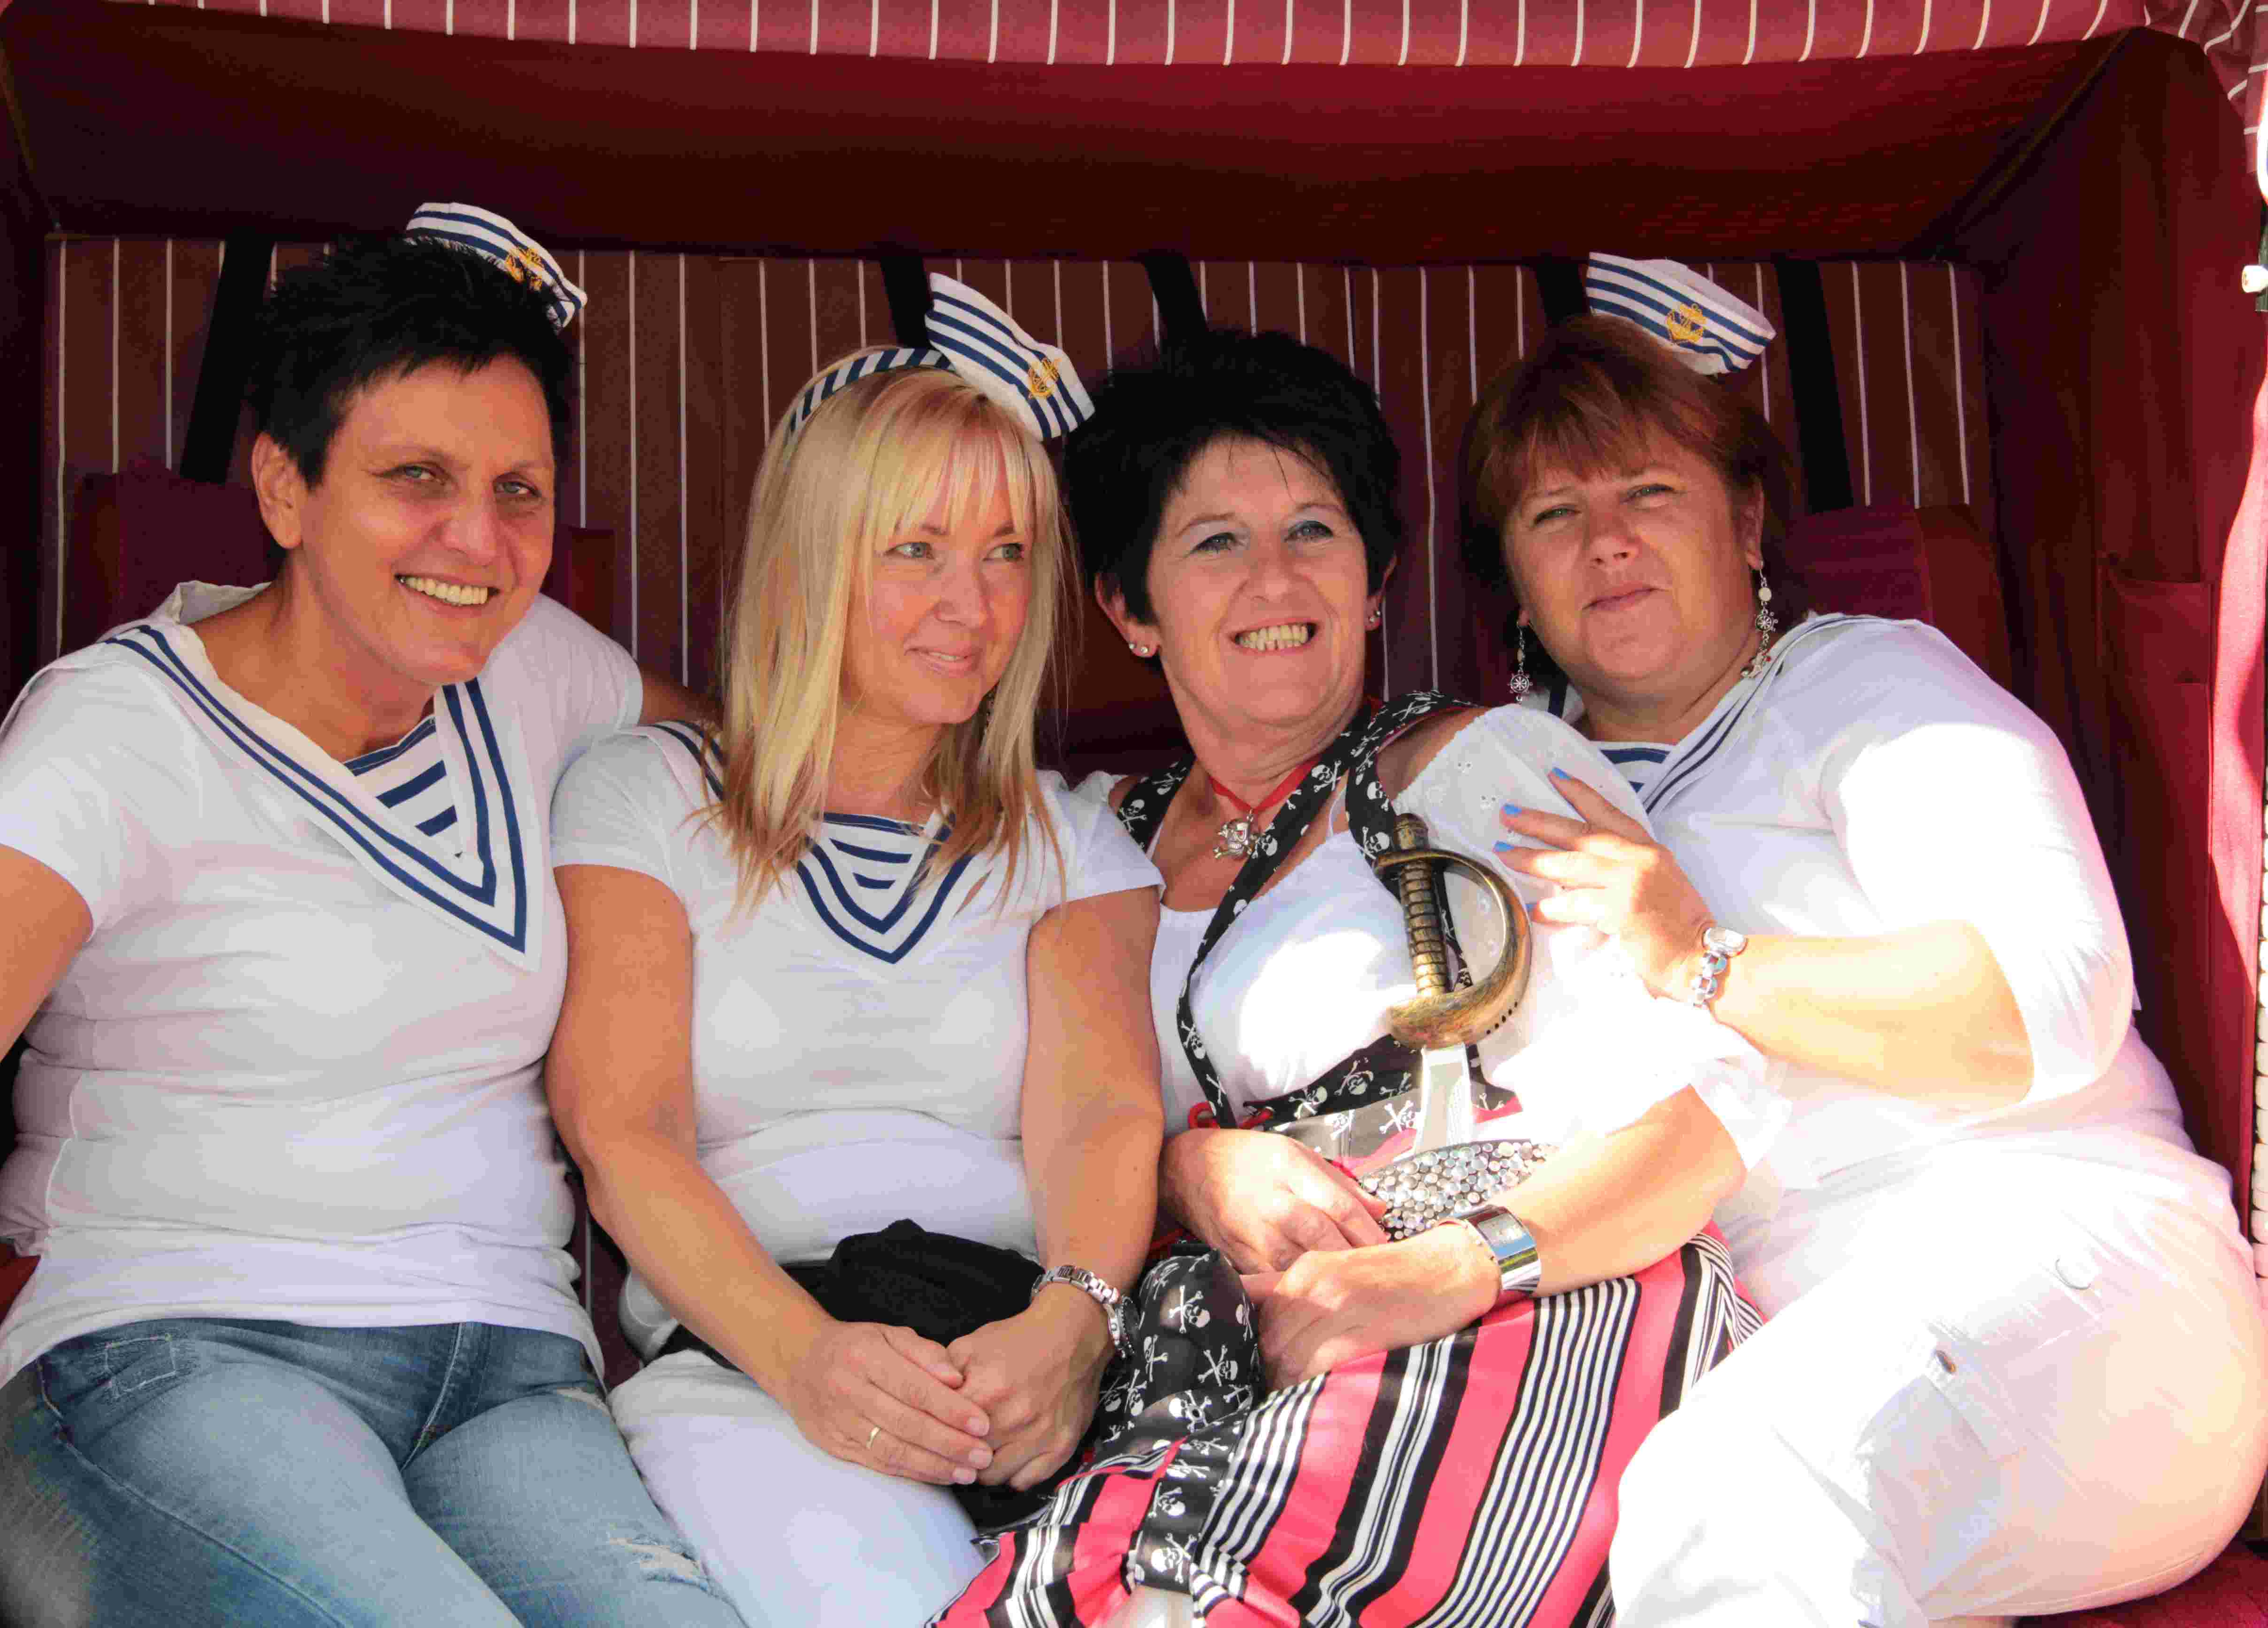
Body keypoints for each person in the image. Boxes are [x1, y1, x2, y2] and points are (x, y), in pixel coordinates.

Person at [0, 206, 742, 1627]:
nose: (479, 540)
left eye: (519, 490)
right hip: (164, 1347)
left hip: (509, 1368)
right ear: (284, 488)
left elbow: (752, 773)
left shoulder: (541, 669)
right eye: (416, 478)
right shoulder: (120, 727)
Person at [940, 327, 1784, 1628]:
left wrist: (1445, 1271)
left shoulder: (1477, 771)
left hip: (1528, 1316)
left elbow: (1712, 1112)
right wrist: (1185, 1167)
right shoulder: (1090, 842)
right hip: (1226, 1354)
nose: (1275, 579)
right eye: (1214, 542)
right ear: (1130, 608)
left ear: (1377, 581)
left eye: (1314, 531)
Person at [1457, 306, 2268, 1626]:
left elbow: (2049, 1002)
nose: (1606, 541)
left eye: (1650, 492)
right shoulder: (1497, 793)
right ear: (1515, 582)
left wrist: (1704, 957)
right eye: (1554, 515)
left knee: (1741, 1494)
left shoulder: (1869, 688)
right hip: (1749, 1336)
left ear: (1747, 524)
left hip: (2057, 1259)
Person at [545, 281, 1168, 1628]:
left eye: (1007, 553)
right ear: (811, 561)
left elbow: (1104, 1115)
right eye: (916, 550)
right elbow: (622, 1130)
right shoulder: (646, 796)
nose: (971, 604)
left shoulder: (1072, 841)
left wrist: (1070, 1333)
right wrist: (808, 1361)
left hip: (1023, 1372)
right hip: (757, 1373)